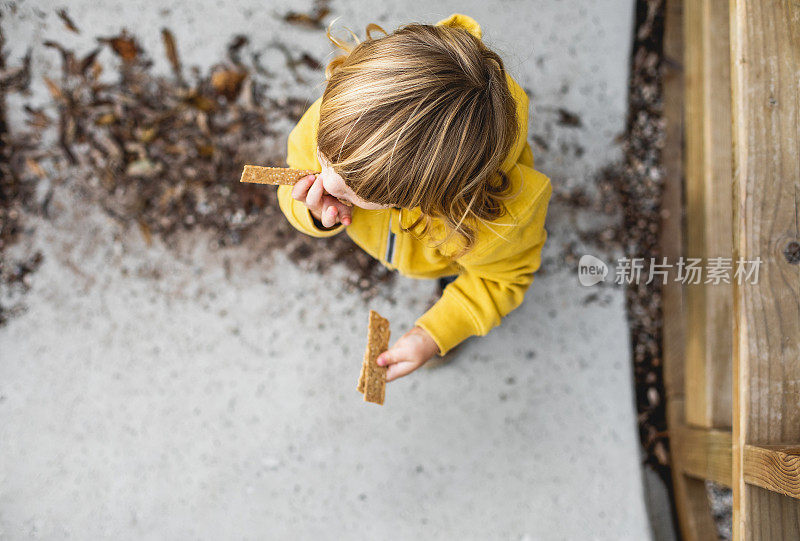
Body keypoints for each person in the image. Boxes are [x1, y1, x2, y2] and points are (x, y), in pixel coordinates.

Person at [277, 13, 552, 383]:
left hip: (449, 253)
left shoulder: (493, 223)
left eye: (354, 191)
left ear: (429, 201)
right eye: (325, 157)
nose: (324, 178)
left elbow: (501, 281)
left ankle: (445, 291)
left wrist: (434, 335)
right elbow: (297, 167)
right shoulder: (346, 117)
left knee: (461, 278)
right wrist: (309, 211)